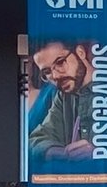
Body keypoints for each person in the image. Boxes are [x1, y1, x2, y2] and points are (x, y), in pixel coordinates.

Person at [25, 38, 96, 171]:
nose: (56, 75)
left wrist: (99, 153)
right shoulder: (64, 96)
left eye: (60, 62)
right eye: (47, 72)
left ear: (80, 52)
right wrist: (63, 153)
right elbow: (34, 141)